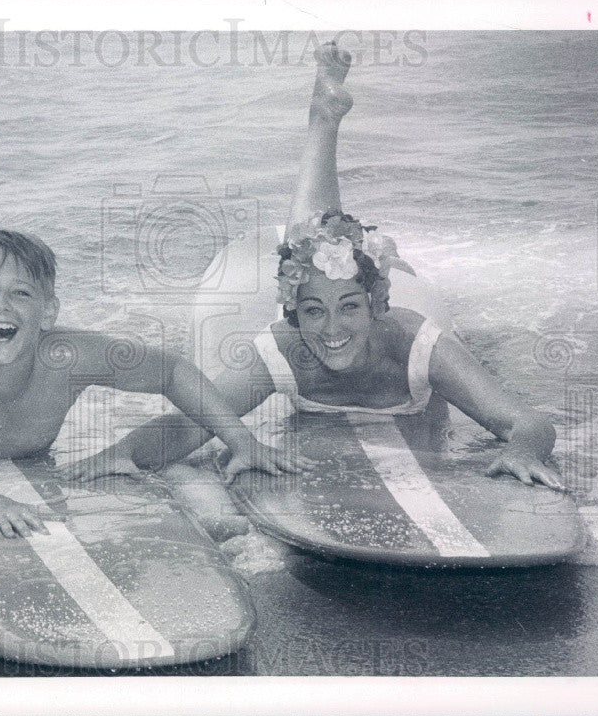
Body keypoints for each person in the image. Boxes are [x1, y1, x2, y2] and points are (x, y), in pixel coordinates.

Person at [69, 41, 563, 492]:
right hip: (338, 282)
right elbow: (190, 423)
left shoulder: (417, 345)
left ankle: (322, 121)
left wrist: (520, 450)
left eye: (350, 309)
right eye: (312, 313)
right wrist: (123, 453)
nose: (331, 330)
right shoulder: (283, 350)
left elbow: (529, 423)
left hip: (405, 292)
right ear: (293, 316)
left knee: (316, 239)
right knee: (310, 242)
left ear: (373, 306)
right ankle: (322, 118)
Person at [0, 229, 309, 539]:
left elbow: (172, 370)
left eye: (21, 293)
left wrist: (240, 440)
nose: (3, 305)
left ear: (49, 312)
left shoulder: (67, 356)